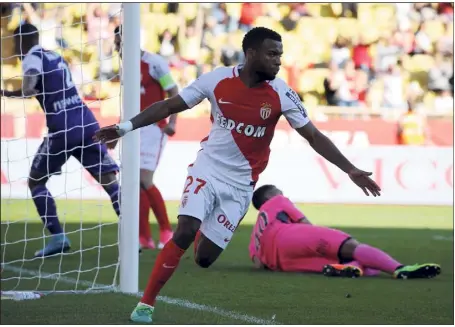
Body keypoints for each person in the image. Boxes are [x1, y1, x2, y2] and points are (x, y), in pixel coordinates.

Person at [94, 27, 381, 323]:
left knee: (204, 258)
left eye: (280, 55)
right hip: (208, 170)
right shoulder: (217, 80)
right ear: (251, 53)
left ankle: (200, 222)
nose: (278, 61)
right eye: (272, 54)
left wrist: (350, 169)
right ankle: (146, 304)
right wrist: (125, 127)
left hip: (241, 186)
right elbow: (169, 104)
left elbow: (313, 136)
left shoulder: (281, 93)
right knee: (185, 229)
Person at [0, 24, 120, 257]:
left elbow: (29, 88)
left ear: (23, 40)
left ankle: (58, 237)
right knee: (110, 183)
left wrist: (5, 93)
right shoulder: (54, 55)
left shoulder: (32, 57)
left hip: (62, 129)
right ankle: (132, 236)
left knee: (36, 181)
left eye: (15, 41)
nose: (14, 46)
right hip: (86, 122)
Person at [249, 184, 441, 279]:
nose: (283, 195)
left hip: (280, 263)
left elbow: (258, 263)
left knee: (350, 263)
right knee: (349, 246)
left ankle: (353, 267)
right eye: (279, 191)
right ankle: (400, 269)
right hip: (290, 236)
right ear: (271, 195)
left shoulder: (257, 229)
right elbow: (305, 224)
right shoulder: (278, 201)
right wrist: (323, 241)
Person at [113, 25, 178, 250]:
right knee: (134, 183)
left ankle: (167, 230)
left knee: (144, 179)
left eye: (120, 43)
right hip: (133, 128)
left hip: (154, 127)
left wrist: (172, 121)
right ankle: (144, 237)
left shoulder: (155, 63)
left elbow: (173, 91)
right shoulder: (125, 66)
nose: (117, 47)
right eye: (116, 43)